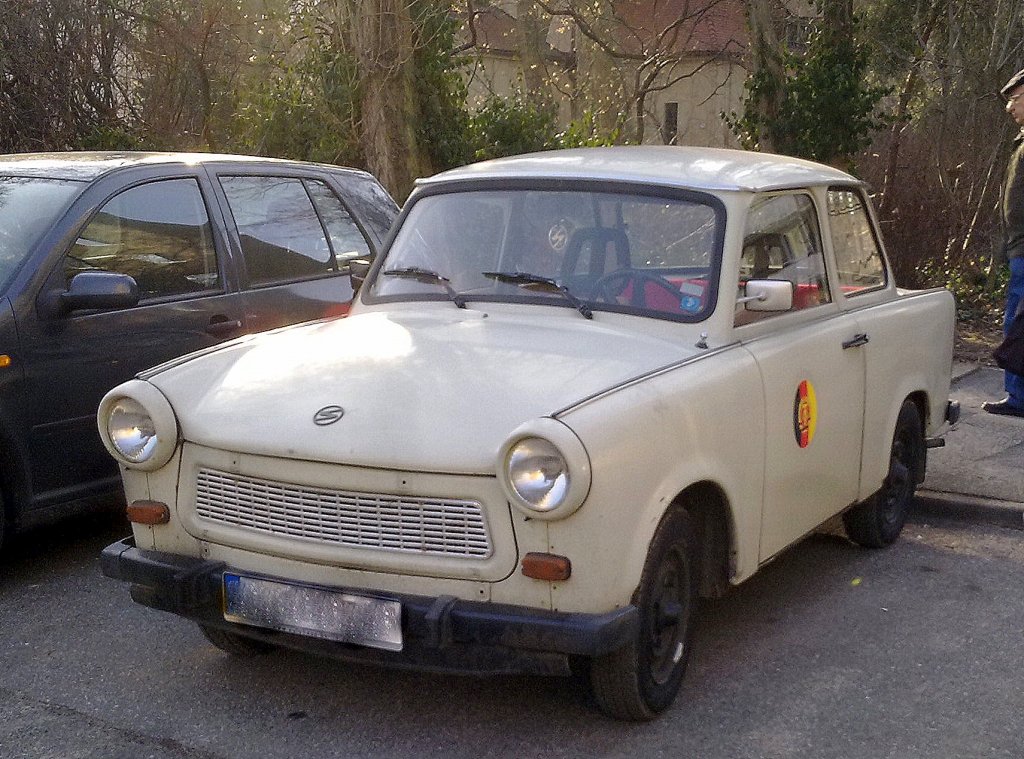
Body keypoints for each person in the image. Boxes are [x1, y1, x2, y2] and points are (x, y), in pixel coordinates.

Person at [983, 67, 1024, 417]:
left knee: (1017, 325)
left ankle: (1018, 397)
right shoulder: (1021, 141)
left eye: (1014, 99)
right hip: (1017, 248)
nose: (1009, 107)